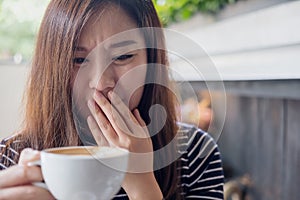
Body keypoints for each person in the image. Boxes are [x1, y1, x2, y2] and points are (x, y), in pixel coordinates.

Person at [0, 0, 224, 199]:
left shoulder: (194, 153)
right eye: (78, 59)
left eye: (123, 56)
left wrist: (142, 184)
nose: (101, 82)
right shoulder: (9, 158)